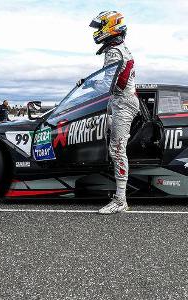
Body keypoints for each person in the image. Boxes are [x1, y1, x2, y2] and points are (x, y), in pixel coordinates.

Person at [81, 11, 139, 214]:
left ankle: (120, 200)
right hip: (121, 101)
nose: (97, 31)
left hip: (123, 103)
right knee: (110, 143)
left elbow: (106, 86)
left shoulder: (113, 51)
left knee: (116, 149)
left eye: (100, 27)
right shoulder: (121, 48)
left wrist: (87, 85)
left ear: (110, 27)